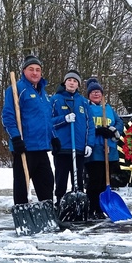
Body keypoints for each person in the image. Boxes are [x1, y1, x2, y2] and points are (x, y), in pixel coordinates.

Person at [1, 55, 57, 205]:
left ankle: (48, 214)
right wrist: (15, 137)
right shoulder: (16, 89)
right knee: (21, 184)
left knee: (47, 182)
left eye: (38, 70)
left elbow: (47, 119)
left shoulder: (44, 94)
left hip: (41, 147)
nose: (35, 73)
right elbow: (8, 116)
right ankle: (22, 213)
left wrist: (54, 137)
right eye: (31, 69)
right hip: (25, 147)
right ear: (24, 70)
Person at [51, 69, 95, 206]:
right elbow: (48, 122)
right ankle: (59, 203)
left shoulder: (83, 102)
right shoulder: (55, 99)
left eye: (75, 81)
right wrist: (64, 119)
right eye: (69, 80)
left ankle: (79, 206)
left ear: (78, 85)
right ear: (65, 82)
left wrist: (89, 144)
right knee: (61, 179)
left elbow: (90, 125)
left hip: (79, 148)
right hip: (62, 147)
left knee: (79, 181)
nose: (72, 83)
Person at [84, 77, 125, 219]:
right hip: (95, 150)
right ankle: (92, 207)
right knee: (95, 180)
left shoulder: (108, 108)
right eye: (93, 92)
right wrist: (98, 130)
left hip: (110, 150)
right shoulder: (86, 108)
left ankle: (101, 208)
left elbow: (120, 122)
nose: (96, 94)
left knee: (105, 181)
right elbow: (84, 126)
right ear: (89, 95)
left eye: (98, 92)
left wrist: (113, 130)